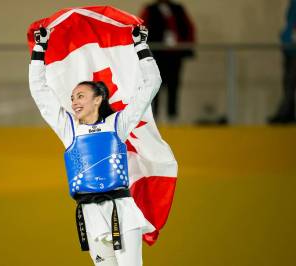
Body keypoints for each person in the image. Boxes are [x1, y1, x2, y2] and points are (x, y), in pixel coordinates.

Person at [29, 26, 161, 265]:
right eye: (72, 97)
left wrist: (141, 46)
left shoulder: (118, 123)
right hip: (90, 214)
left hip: (121, 210)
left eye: (80, 96)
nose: (74, 102)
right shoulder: (69, 129)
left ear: (98, 99)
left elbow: (152, 84)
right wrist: (40, 49)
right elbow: (39, 92)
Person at [140, 0, 196, 121]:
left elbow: (189, 28)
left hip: (174, 55)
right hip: (156, 55)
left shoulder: (178, 8)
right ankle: (154, 116)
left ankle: (172, 115)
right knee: (155, 86)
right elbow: (142, 29)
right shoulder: (150, 9)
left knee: (173, 85)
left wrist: (187, 46)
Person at [268, 0, 296, 124]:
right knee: (287, 82)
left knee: (290, 82)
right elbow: (289, 20)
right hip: (289, 47)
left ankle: (285, 112)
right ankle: (288, 112)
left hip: (293, 48)